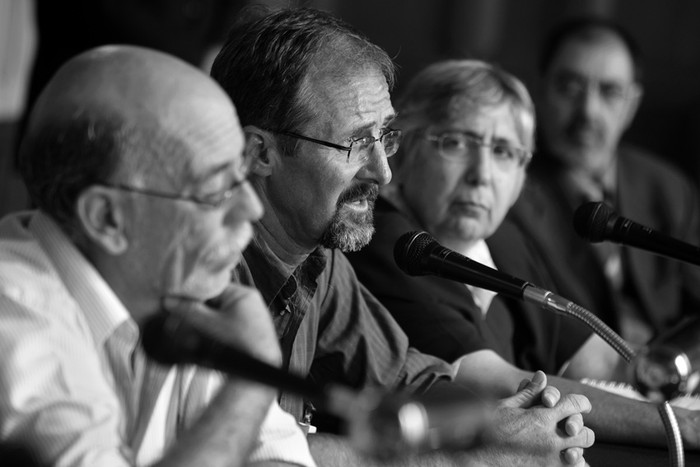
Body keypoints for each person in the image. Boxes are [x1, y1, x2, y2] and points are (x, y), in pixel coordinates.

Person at [211, 7, 594, 466]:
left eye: (386, 137)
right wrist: (467, 457)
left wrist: (505, 424)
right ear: (260, 152)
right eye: (355, 144)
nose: (383, 171)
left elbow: (409, 383)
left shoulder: (319, 260)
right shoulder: (205, 271)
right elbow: (249, 456)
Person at [345, 58, 700, 449]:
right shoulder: (389, 238)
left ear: (520, 177)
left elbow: (608, 361)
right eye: (456, 143)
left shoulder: (505, 238)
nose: (481, 173)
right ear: (404, 150)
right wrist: (686, 426)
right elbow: (496, 385)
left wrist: (676, 379)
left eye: (503, 151)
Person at [0, 45, 316, 467]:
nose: (251, 208)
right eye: (217, 190)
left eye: (242, 176)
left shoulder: (177, 289)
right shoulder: (14, 314)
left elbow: (278, 459)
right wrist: (249, 383)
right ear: (108, 218)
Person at [508, 16, 700, 382]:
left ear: (632, 104)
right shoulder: (509, 192)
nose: (588, 112)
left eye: (609, 92)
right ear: (541, 91)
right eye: (570, 87)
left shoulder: (667, 187)